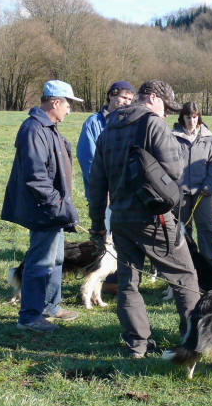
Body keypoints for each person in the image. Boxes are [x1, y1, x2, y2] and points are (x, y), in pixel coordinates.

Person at [88, 79, 200, 358]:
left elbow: (96, 184)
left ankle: (137, 346)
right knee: (184, 276)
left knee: (128, 282)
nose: (167, 114)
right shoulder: (153, 124)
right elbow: (175, 170)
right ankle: (193, 340)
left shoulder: (109, 128)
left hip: (121, 219)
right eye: (166, 107)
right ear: (152, 99)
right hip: (154, 218)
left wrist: (98, 226)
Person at [1, 80, 83, 332]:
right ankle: (29, 316)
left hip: (54, 209)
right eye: (68, 104)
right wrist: (59, 204)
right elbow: (35, 177)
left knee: (56, 258)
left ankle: (50, 306)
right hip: (44, 209)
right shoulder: (33, 130)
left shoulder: (50, 128)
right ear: (55, 102)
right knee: (40, 262)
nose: (70, 109)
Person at [77, 80, 135, 294]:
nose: (126, 102)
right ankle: (100, 282)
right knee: (105, 239)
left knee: (122, 237)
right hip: (104, 193)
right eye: (122, 97)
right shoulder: (93, 123)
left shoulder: (129, 122)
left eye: (130, 99)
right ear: (110, 96)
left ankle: (118, 280)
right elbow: (88, 159)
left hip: (124, 193)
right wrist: (105, 187)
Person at [174, 102, 212, 272]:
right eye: (188, 117)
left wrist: (209, 185)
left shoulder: (208, 137)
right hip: (180, 193)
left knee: (206, 228)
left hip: (203, 192)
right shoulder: (172, 136)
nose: (192, 121)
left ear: (199, 117)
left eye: (194, 117)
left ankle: (211, 266)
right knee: (182, 230)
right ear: (182, 118)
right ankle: (184, 266)